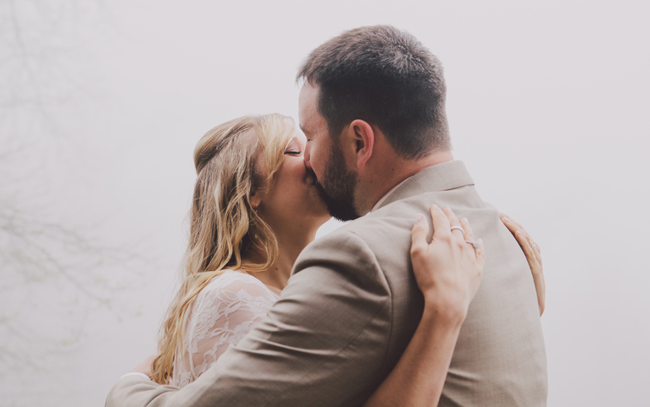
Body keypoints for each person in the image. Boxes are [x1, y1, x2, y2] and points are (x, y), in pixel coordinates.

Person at [107, 25, 547, 406]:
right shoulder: (504, 242)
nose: (311, 160)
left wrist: (129, 389)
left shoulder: (361, 255)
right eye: (293, 148)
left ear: (360, 141)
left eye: (309, 139)